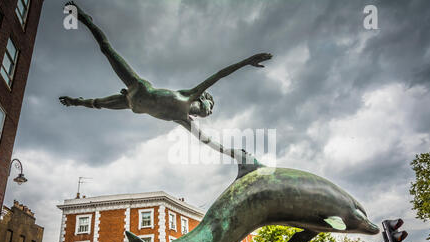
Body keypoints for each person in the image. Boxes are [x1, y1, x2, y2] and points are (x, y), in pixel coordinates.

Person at [60, 2, 272, 164]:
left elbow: (207, 141)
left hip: (131, 104)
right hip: (137, 86)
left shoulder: (184, 120)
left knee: (96, 104)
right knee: (106, 49)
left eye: (207, 114)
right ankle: (85, 19)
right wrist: (247, 61)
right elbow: (219, 74)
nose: (205, 113)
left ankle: (75, 102)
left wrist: (233, 154)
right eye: (207, 108)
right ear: (201, 101)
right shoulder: (187, 96)